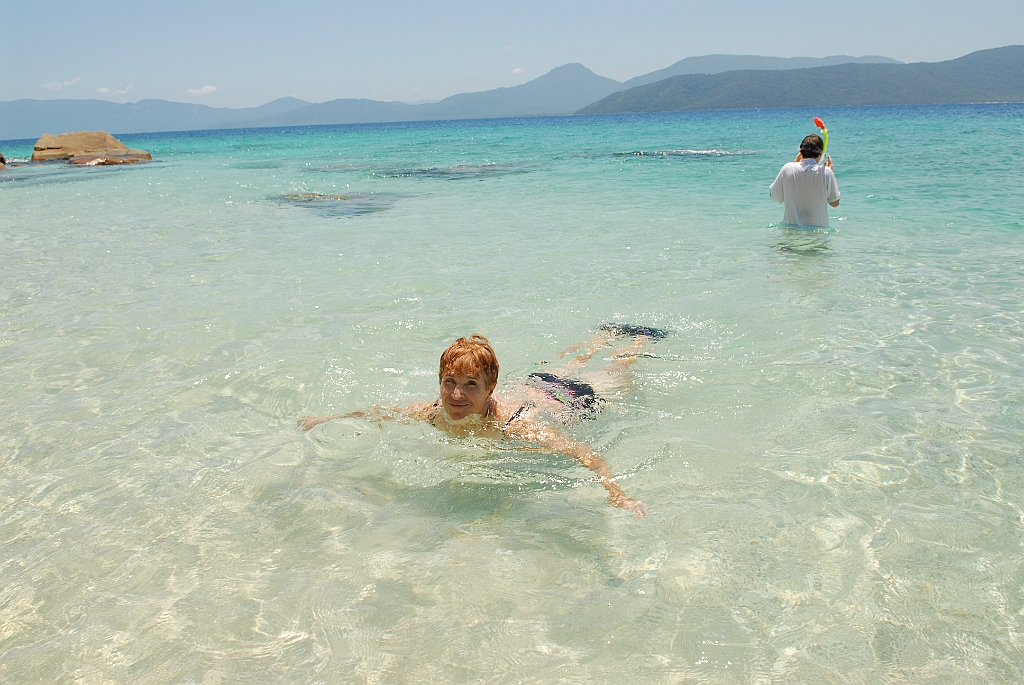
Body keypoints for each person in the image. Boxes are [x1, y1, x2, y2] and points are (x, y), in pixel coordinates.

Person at [298, 326, 664, 517]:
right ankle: (605, 332)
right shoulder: (430, 412)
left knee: (618, 370)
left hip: (575, 397)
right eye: (449, 382)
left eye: (470, 385)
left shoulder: (514, 428)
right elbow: (379, 413)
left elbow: (585, 455)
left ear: (490, 389)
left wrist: (618, 495)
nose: (456, 395)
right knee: (569, 359)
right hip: (539, 383)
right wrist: (327, 419)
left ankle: (640, 340)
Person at [769, 133, 840, 228]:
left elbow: (775, 197)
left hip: (791, 232)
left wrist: (794, 164)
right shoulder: (826, 172)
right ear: (821, 154)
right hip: (817, 234)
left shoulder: (787, 168)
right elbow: (834, 203)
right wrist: (831, 175)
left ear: (801, 153)